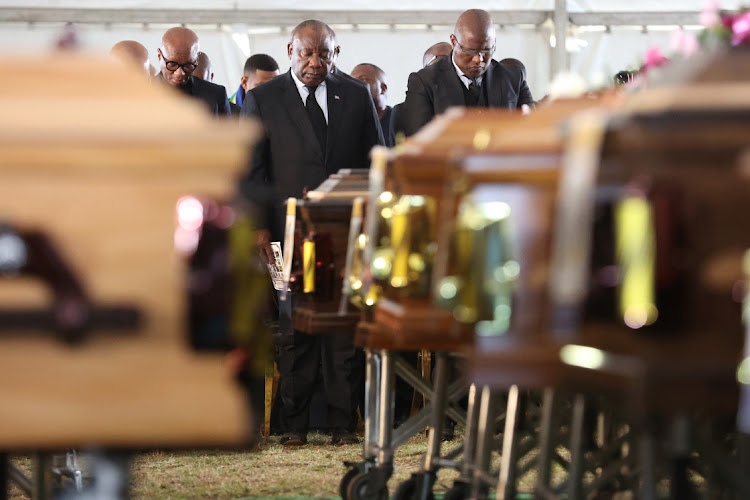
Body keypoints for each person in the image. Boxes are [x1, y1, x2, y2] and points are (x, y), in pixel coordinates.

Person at [240, 19, 383, 447]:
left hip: (345, 232)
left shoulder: (356, 95)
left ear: (336, 54)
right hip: (283, 236)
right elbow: (251, 170)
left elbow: (374, 162)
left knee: (343, 327)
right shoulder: (264, 98)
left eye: (325, 54)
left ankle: (343, 424)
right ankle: (294, 425)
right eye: (307, 53)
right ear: (290, 50)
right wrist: (259, 228)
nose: (315, 63)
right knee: (292, 325)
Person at [401, 9, 534, 136]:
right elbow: (418, 139)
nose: (478, 59)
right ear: (453, 42)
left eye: (487, 51)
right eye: (470, 51)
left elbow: (531, 132)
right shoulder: (424, 82)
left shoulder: (513, 79)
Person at [156, 27, 231, 116]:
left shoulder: (216, 94)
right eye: (172, 64)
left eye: (188, 65)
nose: (180, 73)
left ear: (196, 59)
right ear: (160, 56)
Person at [351, 63, 394, 147]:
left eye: (363, 80)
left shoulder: (399, 121)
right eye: (351, 81)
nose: (354, 85)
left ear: (383, 88)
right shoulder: (347, 123)